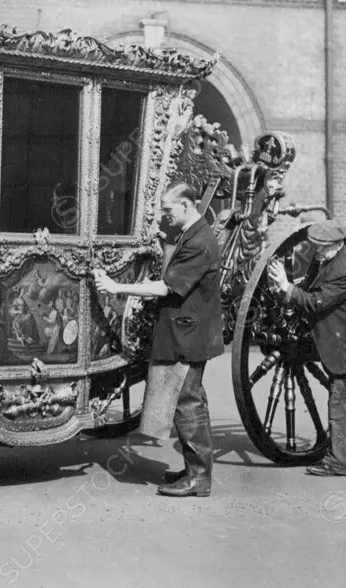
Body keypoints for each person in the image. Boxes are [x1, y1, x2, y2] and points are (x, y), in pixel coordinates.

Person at [94, 182, 223, 497]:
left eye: (168, 209)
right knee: (186, 400)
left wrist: (117, 287)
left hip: (187, 335)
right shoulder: (194, 234)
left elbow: (166, 288)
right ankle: (195, 470)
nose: (166, 215)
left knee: (188, 402)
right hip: (185, 330)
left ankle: (200, 477)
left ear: (186, 205)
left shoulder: (199, 242)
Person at [267, 220, 346, 476]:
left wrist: (287, 288)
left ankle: (338, 462)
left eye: (320, 247)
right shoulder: (329, 259)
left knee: (341, 403)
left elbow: (316, 301)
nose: (315, 251)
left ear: (336, 245)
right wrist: (285, 289)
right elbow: (309, 287)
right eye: (314, 246)